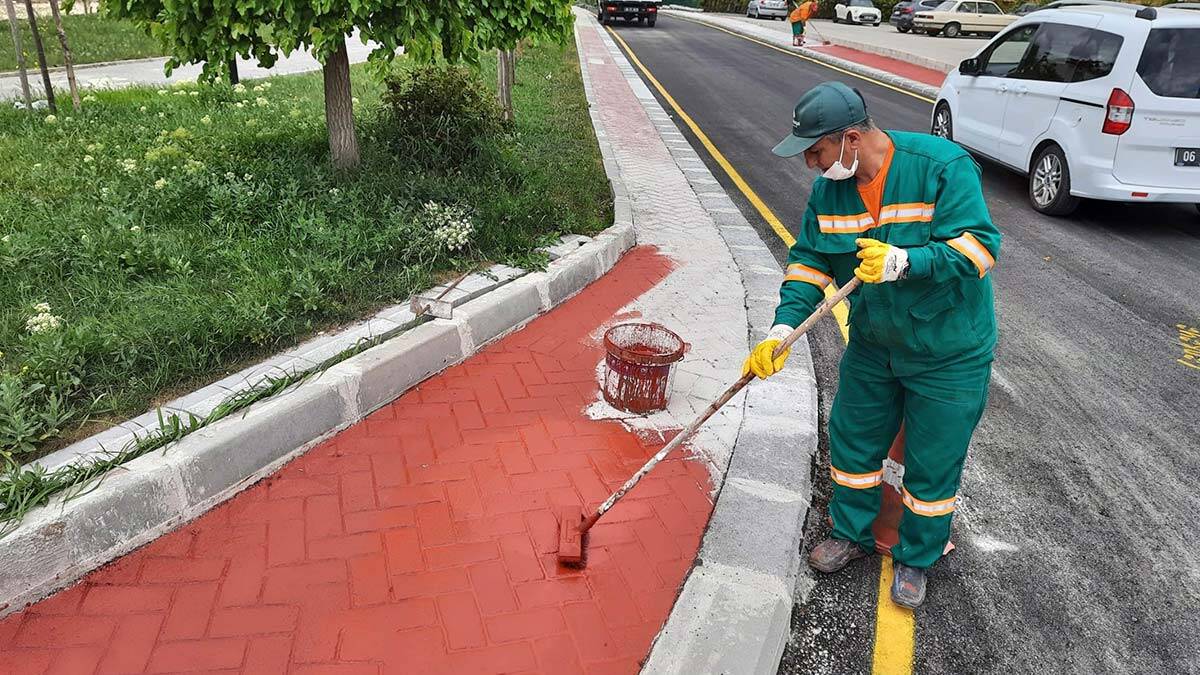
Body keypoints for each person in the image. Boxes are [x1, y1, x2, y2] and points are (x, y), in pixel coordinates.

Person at [742, 81, 1000, 608]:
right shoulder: (828, 194)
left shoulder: (941, 167)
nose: (811, 164)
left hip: (948, 349)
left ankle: (916, 556)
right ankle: (851, 534)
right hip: (875, 344)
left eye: (817, 151)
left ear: (852, 139)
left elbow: (979, 249)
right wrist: (781, 330)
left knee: (933, 458)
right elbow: (809, 263)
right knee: (854, 439)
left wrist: (906, 261)